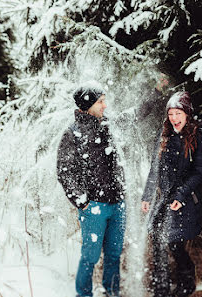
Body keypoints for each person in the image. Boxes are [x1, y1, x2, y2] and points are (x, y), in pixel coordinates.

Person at [57, 82, 126, 297]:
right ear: (88, 105)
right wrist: (83, 202)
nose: (105, 106)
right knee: (90, 256)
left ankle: (112, 293)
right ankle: (83, 294)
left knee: (114, 255)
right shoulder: (73, 133)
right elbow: (64, 171)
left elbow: (134, 117)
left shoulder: (108, 125)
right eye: (100, 102)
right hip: (94, 206)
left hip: (118, 203)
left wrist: (156, 92)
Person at [141, 91, 202, 297]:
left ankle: (186, 283)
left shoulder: (200, 136)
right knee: (156, 236)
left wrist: (180, 196)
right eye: (170, 114)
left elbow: (200, 172)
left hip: (187, 199)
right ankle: (160, 287)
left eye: (178, 113)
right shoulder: (164, 136)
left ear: (187, 114)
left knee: (173, 241)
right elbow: (155, 167)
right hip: (165, 198)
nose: (174, 118)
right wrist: (147, 195)